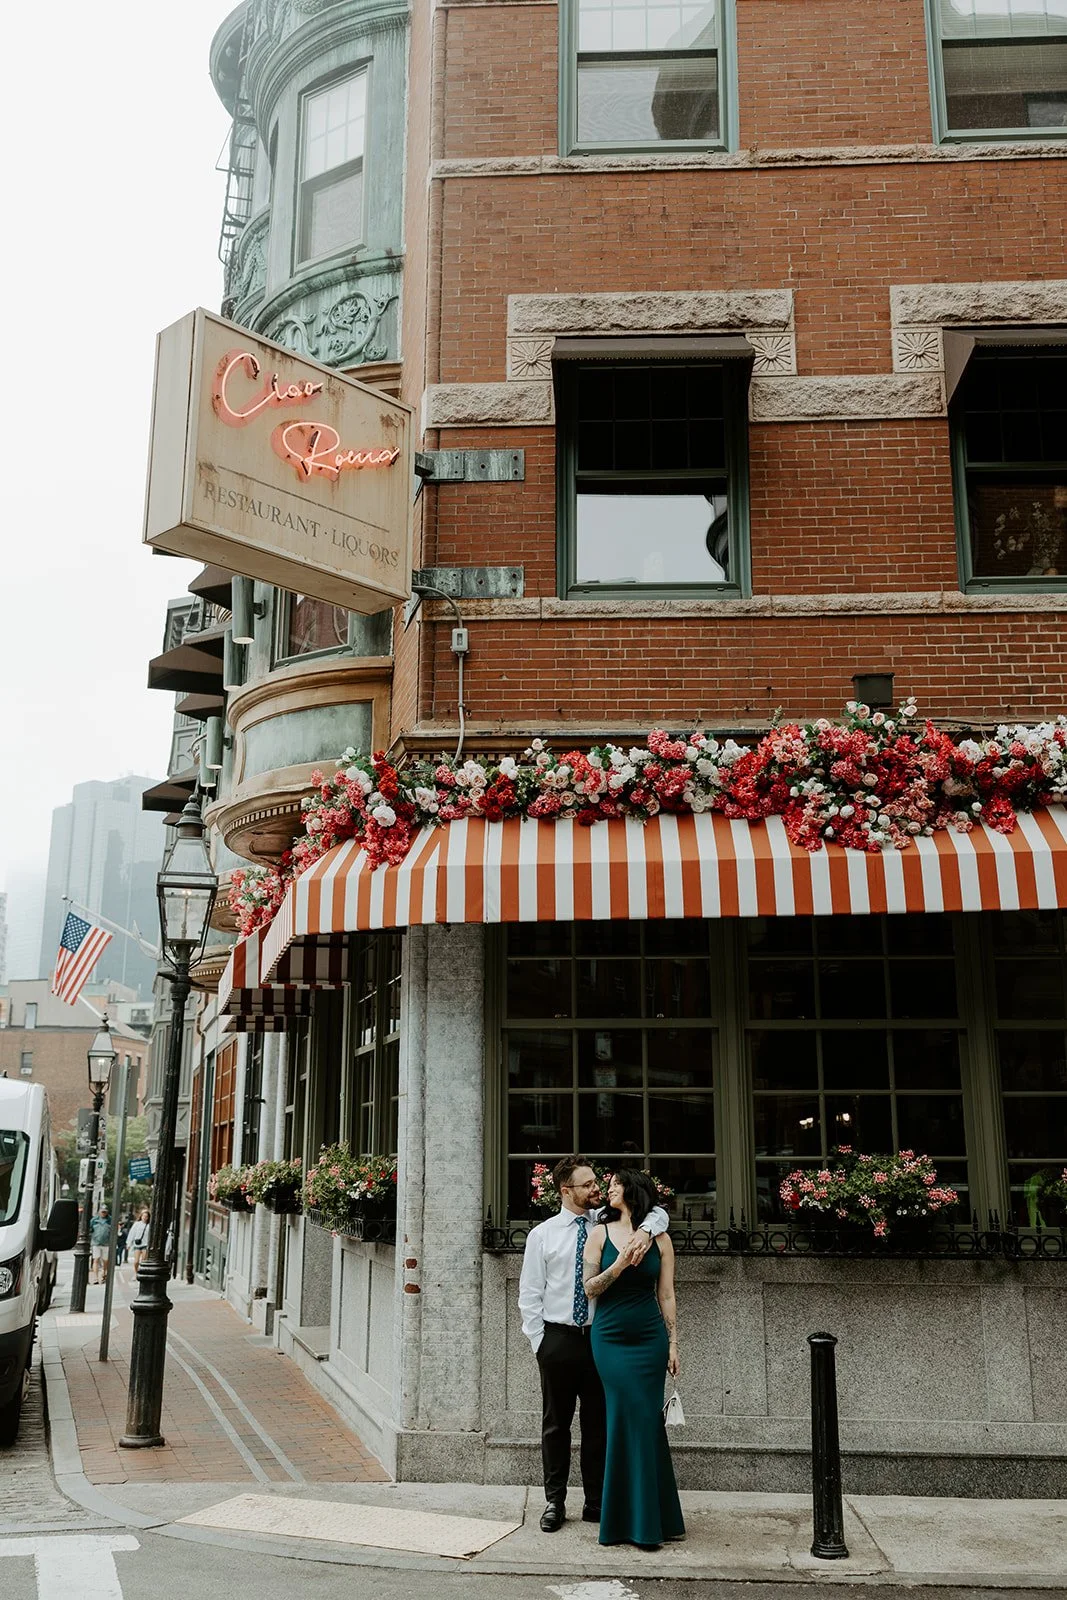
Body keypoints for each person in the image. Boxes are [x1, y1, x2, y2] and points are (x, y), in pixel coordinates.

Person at [518, 1156, 669, 1533]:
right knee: (556, 1424)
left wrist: (647, 1231)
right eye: (586, 1185)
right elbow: (529, 1294)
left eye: (596, 1183)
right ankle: (554, 1501)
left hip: (602, 1339)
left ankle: (596, 1501)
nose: (596, 1189)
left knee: (599, 1423)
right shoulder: (543, 1235)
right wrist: (540, 1341)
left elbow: (659, 1213)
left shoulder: (609, 1222)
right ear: (565, 1191)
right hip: (558, 1338)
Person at [583, 1168, 684, 1549]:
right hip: (609, 1338)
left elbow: (668, 1294)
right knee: (625, 1416)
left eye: (614, 1185)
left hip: (649, 1339)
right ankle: (624, 1521)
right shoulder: (598, 1233)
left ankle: (651, 1520)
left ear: (633, 1191)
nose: (608, 1189)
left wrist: (673, 1343)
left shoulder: (660, 1238)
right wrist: (621, 1263)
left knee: (646, 1421)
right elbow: (590, 1289)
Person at [88, 1206, 111, 1286]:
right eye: (102, 1212)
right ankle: (95, 1277)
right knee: (96, 1259)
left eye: (105, 1212)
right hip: (96, 1243)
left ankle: (104, 1272)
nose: (103, 1213)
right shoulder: (94, 1220)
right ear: (99, 1212)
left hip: (106, 1243)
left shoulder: (109, 1220)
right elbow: (90, 1229)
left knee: (105, 1260)